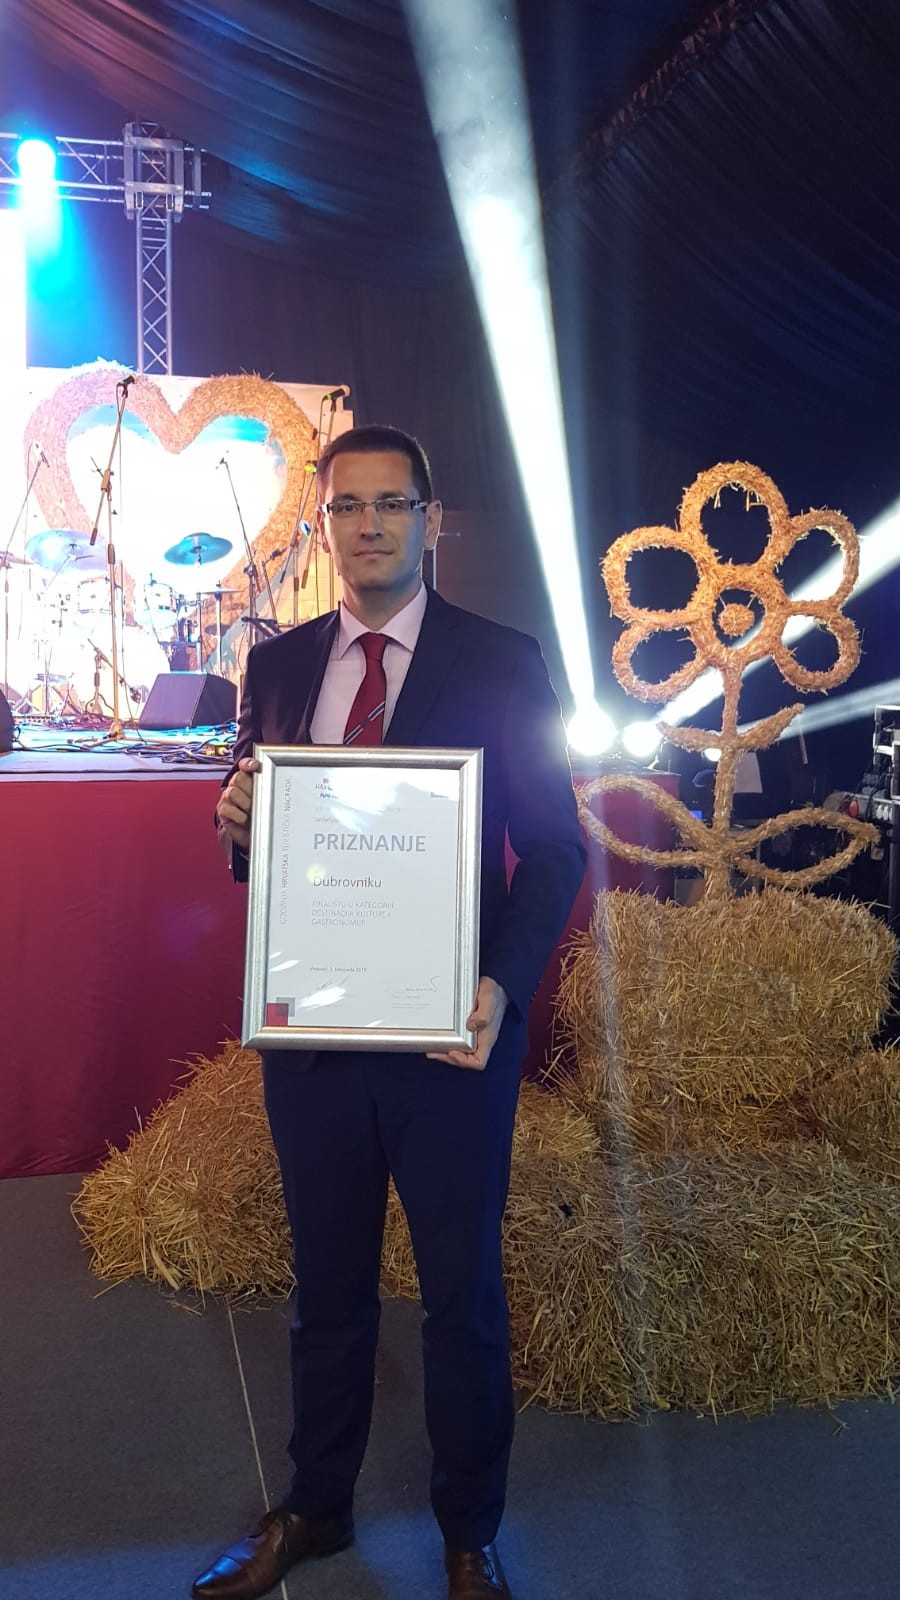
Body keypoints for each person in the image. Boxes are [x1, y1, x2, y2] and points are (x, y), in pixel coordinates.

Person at [196, 424, 586, 1600]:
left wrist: (501, 984)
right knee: (326, 1291)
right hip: (315, 1037)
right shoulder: (278, 666)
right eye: (347, 506)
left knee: (461, 1295)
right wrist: (234, 827)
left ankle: (470, 1532)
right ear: (325, 527)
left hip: (451, 1034)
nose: (369, 524)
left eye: (391, 504)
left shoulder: (503, 659)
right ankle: (316, 1507)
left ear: (431, 519)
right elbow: (264, 841)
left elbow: (554, 851)